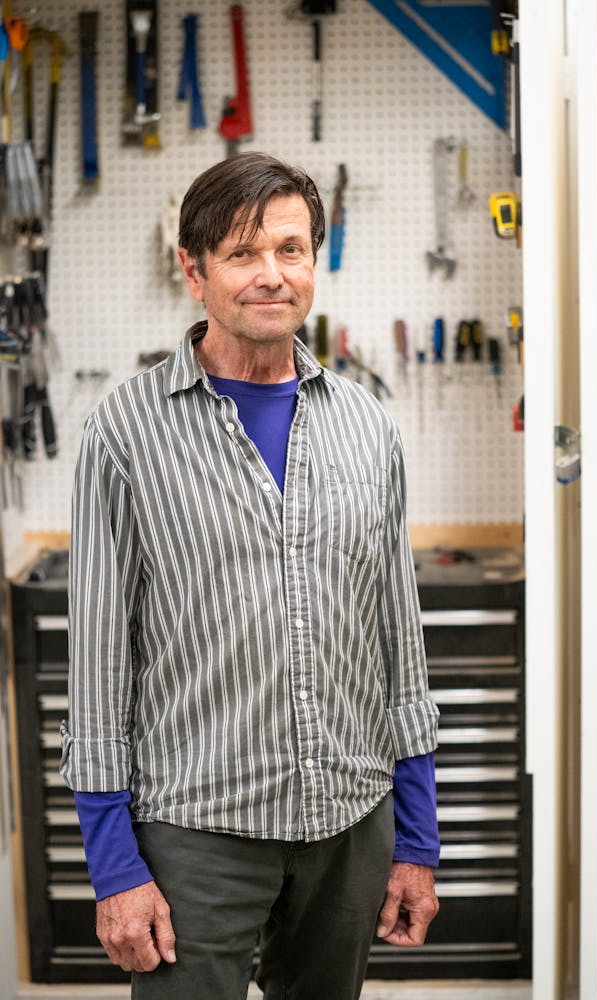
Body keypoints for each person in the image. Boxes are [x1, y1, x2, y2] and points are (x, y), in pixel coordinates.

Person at [61, 151, 441, 1000]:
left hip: (349, 821)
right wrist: (114, 866)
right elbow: (98, 668)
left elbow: (398, 647)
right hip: (195, 832)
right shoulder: (124, 433)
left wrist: (416, 840)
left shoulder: (366, 427)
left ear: (312, 261)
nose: (271, 274)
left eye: (290, 249)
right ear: (193, 271)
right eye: (242, 253)